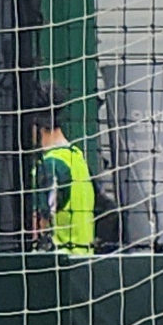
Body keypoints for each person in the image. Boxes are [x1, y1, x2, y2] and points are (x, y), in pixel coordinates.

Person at [31, 107, 95, 258]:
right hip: (85, 261)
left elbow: (37, 227)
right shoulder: (78, 158)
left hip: (57, 265)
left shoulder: (49, 165)